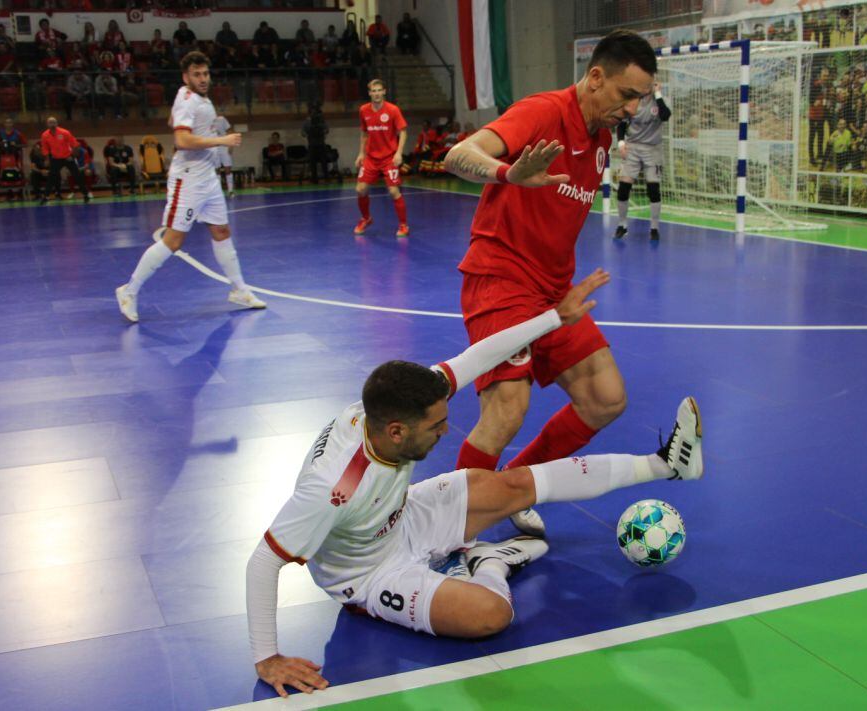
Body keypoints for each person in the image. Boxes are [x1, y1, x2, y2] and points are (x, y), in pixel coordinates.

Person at [246, 269, 705, 697]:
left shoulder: (395, 406)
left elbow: (481, 353)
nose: (447, 431)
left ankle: (665, 463)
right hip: (371, 575)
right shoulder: (333, 489)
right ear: (397, 432)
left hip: (403, 515)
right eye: (436, 427)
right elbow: (264, 561)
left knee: (508, 485)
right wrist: (267, 657)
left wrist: (553, 318)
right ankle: (490, 561)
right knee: (492, 616)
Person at [442, 29, 656, 537]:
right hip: (500, 279)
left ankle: (514, 487)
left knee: (605, 397)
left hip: (552, 292)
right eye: (627, 95)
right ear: (596, 77)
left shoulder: (601, 138)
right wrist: (507, 174)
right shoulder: (543, 112)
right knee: (508, 408)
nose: (632, 109)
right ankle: (446, 528)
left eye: (640, 100)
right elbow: (458, 156)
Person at [116, 51, 265, 324]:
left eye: (206, 73)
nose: (203, 78)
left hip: (207, 177)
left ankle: (239, 290)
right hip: (188, 179)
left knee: (221, 231)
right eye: (197, 74)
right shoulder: (189, 100)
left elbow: (174, 122)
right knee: (173, 240)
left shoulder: (191, 98)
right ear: (186, 77)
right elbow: (182, 140)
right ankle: (129, 290)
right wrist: (222, 141)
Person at [614, 80, 671, 241]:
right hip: (633, 147)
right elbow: (621, 125)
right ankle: (622, 225)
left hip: (653, 149)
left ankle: (654, 228)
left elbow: (666, 116)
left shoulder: (658, 101)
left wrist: (658, 94)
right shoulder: (632, 101)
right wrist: (621, 143)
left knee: (653, 188)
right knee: (624, 187)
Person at [354, 78, 409, 237]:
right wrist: (361, 153)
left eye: (379, 90)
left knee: (393, 191)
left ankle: (403, 225)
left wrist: (399, 153)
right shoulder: (363, 110)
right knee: (360, 189)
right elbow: (364, 133)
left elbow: (403, 131)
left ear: (384, 91)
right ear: (369, 93)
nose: (376, 94)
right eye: (373, 91)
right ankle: (366, 218)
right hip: (371, 158)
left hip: (388, 158)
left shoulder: (393, 110)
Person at [39, 116, 88, 205]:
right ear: (47, 124)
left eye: (54, 122)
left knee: (77, 175)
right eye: (50, 123)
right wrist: (47, 159)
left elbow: (75, 145)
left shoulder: (65, 132)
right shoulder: (44, 135)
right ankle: (45, 197)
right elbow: (45, 149)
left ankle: (85, 195)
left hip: (67, 157)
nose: (52, 124)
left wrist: (72, 156)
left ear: (57, 123)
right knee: (51, 178)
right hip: (56, 159)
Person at [301, 105, 329, 183]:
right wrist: (309, 134)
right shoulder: (306, 122)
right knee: (312, 162)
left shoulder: (322, 121)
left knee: (324, 161)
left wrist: (322, 132)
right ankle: (314, 178)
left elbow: (327, 130)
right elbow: (303, 133)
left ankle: (326, 177)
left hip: (321, 144)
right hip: (312, 145)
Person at [212, 113, 236, 197]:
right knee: (216, 170)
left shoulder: (221, 119)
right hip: (213, 147)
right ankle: (218, 192)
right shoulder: (206, 121)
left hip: (224, 146)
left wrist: (231, 145)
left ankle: (230, 190)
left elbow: (230, 131)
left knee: (228, 169)